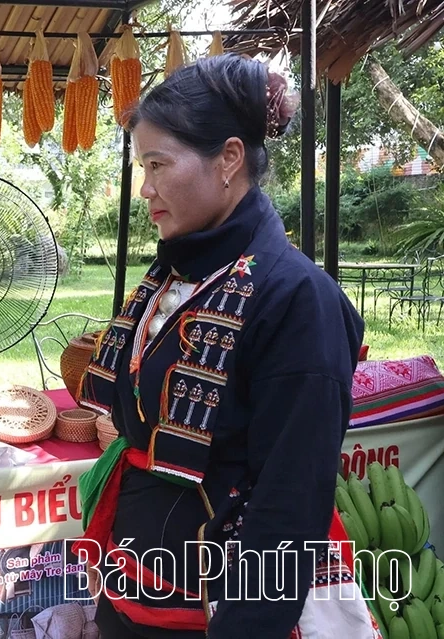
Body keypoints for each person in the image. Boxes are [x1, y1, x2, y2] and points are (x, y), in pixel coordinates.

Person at [72, 55, 376, 638]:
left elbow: (290, 499)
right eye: (143, 166)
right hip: (134, 585)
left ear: (229, 159)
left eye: (158, 165)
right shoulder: (175, 276)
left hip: (217, 606)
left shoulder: (296, 300)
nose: (146, 189)